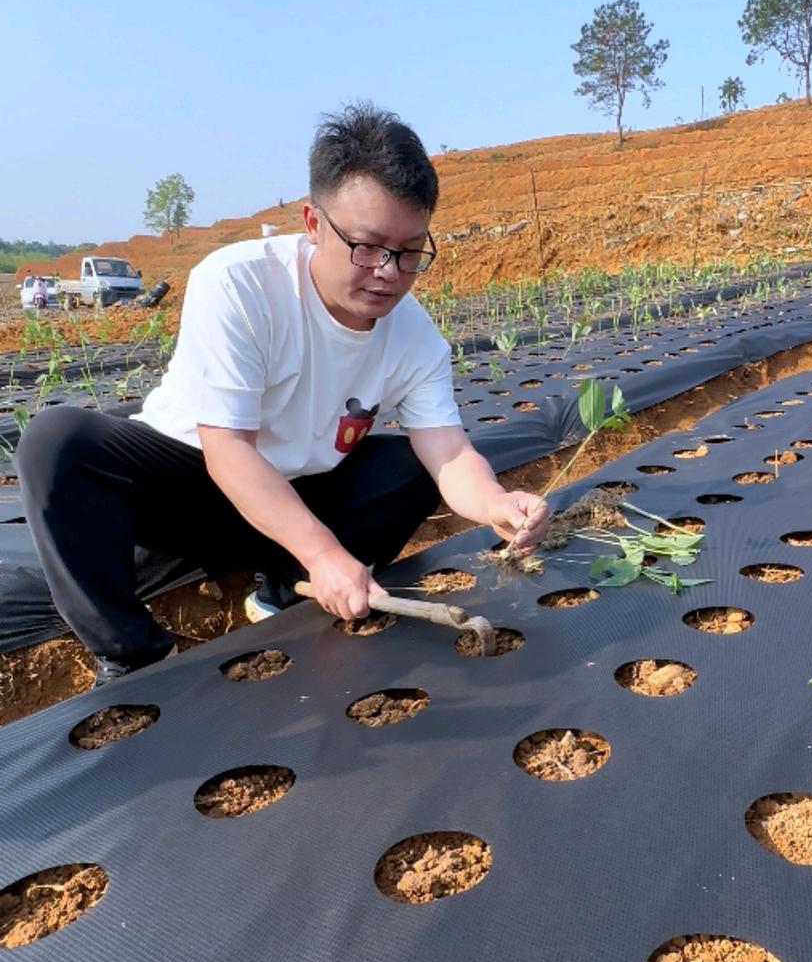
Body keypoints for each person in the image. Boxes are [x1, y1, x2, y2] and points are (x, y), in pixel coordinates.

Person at [18, 103, 550, 686]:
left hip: (297, 495)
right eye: (368, 246)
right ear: (314, 223)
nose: (388, 273)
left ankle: (279, 596)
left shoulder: (414, 336)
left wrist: (495, 502)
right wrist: (323, 554)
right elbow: (227, 450)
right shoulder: (240, 283)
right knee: (56, 441)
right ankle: (135, 656)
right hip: (189, 485)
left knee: (410, 466)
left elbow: (448, 453)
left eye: (409, 252)